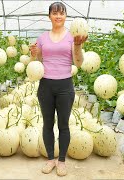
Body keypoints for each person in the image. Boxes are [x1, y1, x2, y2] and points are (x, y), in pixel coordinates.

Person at [29, 2, 87, 177]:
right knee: (47, 124)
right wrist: (33, 54)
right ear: (49, 17)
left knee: (63, 125)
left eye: (61, 13)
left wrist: (77, 46)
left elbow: (79, 62)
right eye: (55, 13)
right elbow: (37, 62)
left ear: (65, 16)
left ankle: (61, 161)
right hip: (45, 86)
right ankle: (50, 158)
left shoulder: (72, 37)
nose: (58, 16)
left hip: (65, 86)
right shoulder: (42, 38)